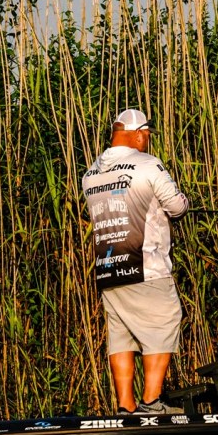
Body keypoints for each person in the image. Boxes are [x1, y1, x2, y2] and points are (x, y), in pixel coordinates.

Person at [82, 108, 189, 415]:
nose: (147, 140)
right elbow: (176, 207)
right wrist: (186, 202)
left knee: (122, 336)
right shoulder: (147, 164)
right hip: (146, 266)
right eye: (146, 135)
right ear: (138, 134)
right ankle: (151, 403)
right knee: (166, 321)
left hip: (109, 270)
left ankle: (125, 407)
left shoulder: (91, 174)